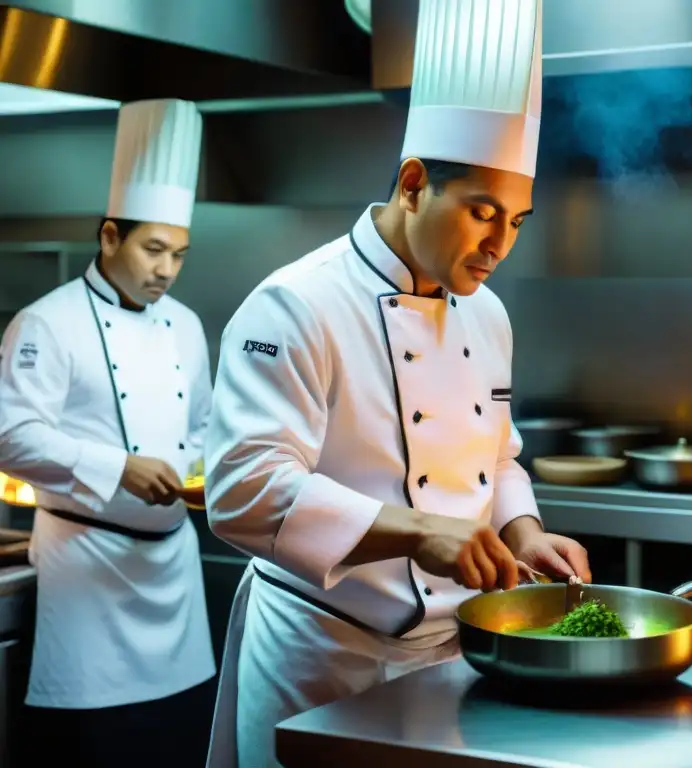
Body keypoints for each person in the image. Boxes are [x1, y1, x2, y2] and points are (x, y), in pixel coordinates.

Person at [202, 1, 586, 765]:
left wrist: (525, 531)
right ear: (414, 183)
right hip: (320, 662)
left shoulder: (489, 315)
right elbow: (242, 490)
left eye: (517, 220)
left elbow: (498, 455)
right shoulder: (297, 303)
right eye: (483, 212)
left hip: (450, 662)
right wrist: (417, 531)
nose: (500, 244)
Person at [0, 99, 216, 767]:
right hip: (89, 577)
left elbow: (204, 428)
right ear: (109, 236)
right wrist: (119, 467)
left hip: (175, 576)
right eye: (153, 249)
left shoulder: (185, 324)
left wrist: (211, 476)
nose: (167, 270)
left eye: (179, 254)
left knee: (181, 741)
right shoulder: (46, 324)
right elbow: (9, 437)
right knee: (98, 750)